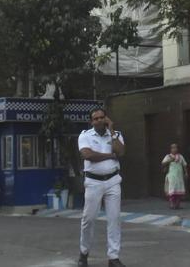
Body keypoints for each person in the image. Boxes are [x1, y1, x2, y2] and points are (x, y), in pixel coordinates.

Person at [77, 108, 126, 267]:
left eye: (101, 117)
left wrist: (111, 130)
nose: (99, 120)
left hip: (113, 181)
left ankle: (113, 257)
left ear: (106, 118)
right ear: (91, 121)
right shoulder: (85, 135)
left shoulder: (115, 135)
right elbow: (88, 155)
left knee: (114, 219)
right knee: (88, 219)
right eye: (95, 118)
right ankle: (84, 253)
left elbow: (121, 151)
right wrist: (110, 156)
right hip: (93, 182)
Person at [161, 143, 188, 209]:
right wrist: (170, 160)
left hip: (179, 176)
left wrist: (186, 173)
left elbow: (184, 165)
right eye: (173, 148)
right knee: (172, 190)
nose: (174, 149)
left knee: (179, 190)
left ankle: (178, 205)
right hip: (171, 176)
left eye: (176, 148)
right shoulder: (168, 156)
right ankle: (172, 204)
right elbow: (163, 163)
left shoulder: (180, 156)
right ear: (171, 149)